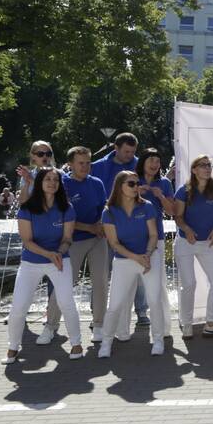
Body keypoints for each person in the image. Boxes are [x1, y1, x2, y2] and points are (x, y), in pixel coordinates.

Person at [4, 168, 83, 364]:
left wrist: (60, 251)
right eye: (47, 179)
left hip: (59, 260)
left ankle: (76, 343)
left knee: (66, 303)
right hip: (31, 262)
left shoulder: (66, 207)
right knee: (19, 307)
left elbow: (67, 239)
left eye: (56, 180)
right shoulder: (27, 208)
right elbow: (27, 241)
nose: (52, 183)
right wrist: (49, 254)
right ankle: (13, 347)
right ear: (39, 182)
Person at [39, 147, 108, 346]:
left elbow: (104, 207)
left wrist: (103, 224)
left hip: (97, 239)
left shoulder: (97, 183)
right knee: (64, 284)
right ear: (70, 164)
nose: (85, 166)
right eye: (81, 163)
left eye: (88, 162)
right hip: (72, 240)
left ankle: (99, 325)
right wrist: (89, 227)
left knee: (101, 281)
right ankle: (50, 326)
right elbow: (61, 216)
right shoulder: (62, 185)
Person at [97, 171, 166, 358]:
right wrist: (137, 257)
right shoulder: (109, 211)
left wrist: (148, 254)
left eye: (137, 183)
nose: (136, 187)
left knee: (154, 300)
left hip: (149, 258)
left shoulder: (147, 206)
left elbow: (153, 235)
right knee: (115, 304)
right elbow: (114, 243)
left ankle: (158, 340)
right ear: (120, 186)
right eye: (131, 184)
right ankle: (106, 342)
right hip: (124, 260)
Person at [90, 132, 148, 326]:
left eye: (133, 152)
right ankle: (98, 315)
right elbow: (95, 196)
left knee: (139, 269)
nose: (130, 156)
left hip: (134, 226)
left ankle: (141, 311)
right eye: (126, 152)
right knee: (102, 274)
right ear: (116, 148)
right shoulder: (97, 167)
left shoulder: (140, 165)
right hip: (107, 226)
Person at [173, 154, 213, 338]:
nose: (207, 168)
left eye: (209, 165)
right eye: (203, 165)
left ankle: (211, 324)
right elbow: (178, 216)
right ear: (194, 170)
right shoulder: (183, 190)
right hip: (185, 242)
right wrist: (187, 230)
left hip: (207, 242)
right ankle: (187, 323)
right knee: (189, 284)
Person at [136, 148, 174, 336]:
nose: (154, 164)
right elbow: (115, 204)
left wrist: (160, 196)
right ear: (142, 162)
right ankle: (120, 330)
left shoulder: (165, 183)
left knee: (159, 285)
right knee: (128, 286)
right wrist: (135, 192)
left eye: (158, 161)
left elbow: (173, 211)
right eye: (151, 160)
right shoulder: (131, 179)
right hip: (131, 239)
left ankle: (164, 328)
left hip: (156, 238)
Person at [16, 140, 56, 205]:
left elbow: (53, 196)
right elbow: (23, 202)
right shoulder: (28, 175)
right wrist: (27, 182)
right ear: (33, 156)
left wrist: (31, 180)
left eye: (48, 154)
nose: (45, 156)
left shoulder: (59, 174)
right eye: (40, 154)